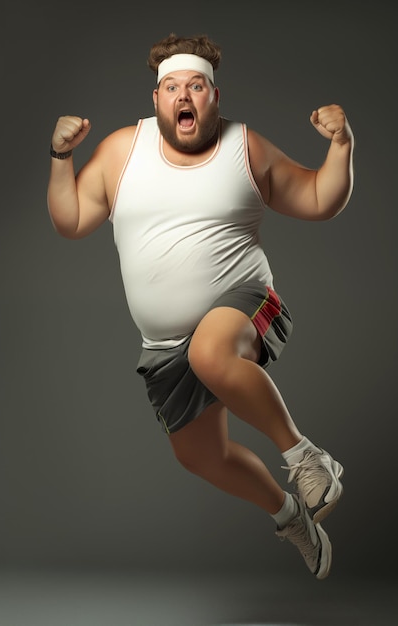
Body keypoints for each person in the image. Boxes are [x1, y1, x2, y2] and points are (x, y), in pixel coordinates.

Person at [46, 33, 354, 580]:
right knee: (199, 457)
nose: (183, 95)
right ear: (157, 98)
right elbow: (70, 220)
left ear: (214, 95)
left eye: (195, 85)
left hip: (245, 302)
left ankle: (307, 458)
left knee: (212, 353)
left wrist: (341, 147)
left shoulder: (245, 148)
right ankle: (292, 519)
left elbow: (316, 199)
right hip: (166, 346)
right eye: (171, 87)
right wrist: (60, 158)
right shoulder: (122, 151)